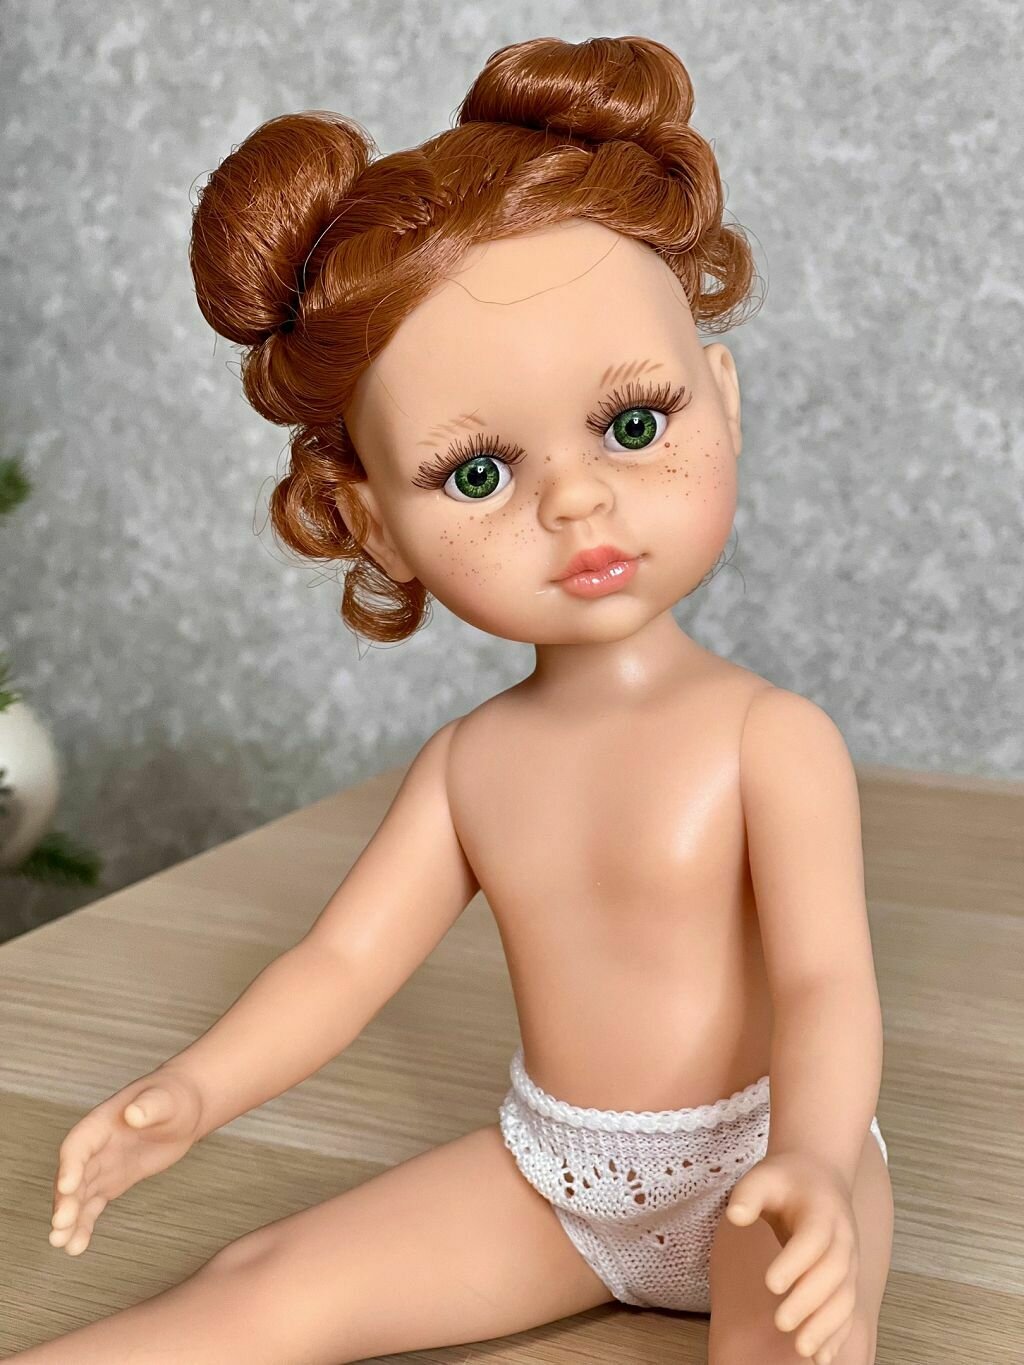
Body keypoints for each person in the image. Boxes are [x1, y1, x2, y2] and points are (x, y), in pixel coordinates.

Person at [20, 34, 893, 1365]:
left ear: (720, 397)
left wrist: (820, 1161)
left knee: (786, 1331)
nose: (577, 499)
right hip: (557, 1181)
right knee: (257, 1285)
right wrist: (192, 1092)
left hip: (765, 1167)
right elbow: (340, 965)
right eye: (478, 473)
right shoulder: (471, 766)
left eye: (635, 424)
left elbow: (828, 982)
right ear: (374, 523)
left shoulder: (770, 740)